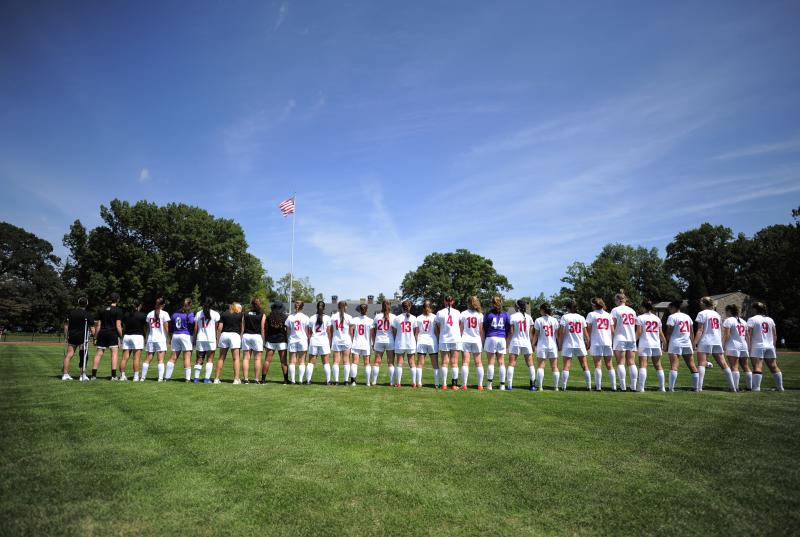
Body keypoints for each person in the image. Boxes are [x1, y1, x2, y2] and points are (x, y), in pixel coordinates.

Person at [694, 297, 736, 392]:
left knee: (701, 363)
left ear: (705, 303)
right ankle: (733, 387)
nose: (700, 303)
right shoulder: (717, 314)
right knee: (723, 363)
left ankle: (699, 388)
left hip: (706, 340)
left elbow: (700, 330)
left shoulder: (702, 313)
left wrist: (694, 343)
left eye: (701, 302)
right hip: (716, 340)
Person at [747, 302, 783, 392]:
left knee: (757, 366)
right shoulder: (770, 319)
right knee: (774, 366)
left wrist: (748, 346)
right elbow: (775, 334)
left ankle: (756, 388)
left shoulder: (752, 319)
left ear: (755, 309)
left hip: (757, 346)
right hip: (770, 346)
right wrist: (773, 346)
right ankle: (780, 387)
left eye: (752, 309)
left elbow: (748, 335)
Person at [635, 299, 667, 392]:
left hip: (645, 344)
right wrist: (665, 343)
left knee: (643, 365)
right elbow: (661, 333)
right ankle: (662, 388)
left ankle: (641, 388)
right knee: (658, 365)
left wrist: (633, 341)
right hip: (656, 344)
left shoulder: (640, 318)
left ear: (643, 307)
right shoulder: (657, 318)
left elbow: (639, 332)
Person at [558, 298, 590, 391]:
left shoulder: (565, 317)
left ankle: (563, 386)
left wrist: (560, 343)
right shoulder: (581, 317)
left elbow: (562, 332)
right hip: (580, 343)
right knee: (585, 365)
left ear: (567, 308)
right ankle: (589, 386)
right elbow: (585, 333)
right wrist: (588, 341)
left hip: (568, 344)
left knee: (566, 365)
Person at [91, 292, 123, 380]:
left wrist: (95, 337)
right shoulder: (118, 310)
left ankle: (93, 375)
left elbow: (98, 325)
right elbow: (118, 325)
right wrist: (121, 336)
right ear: (117, 300)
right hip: (112, 334)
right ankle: (113, 376)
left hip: (102, 333)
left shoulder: (102, 309)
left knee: (98, 354)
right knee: (114, 354)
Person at [665, 300, 696, 391]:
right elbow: (692, 332)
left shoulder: (672, 317)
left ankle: (671, 388)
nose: (669, 310)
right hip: (687, 343)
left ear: (674, 307)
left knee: (674, 366)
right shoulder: (687, 317)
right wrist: (693, 343)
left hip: (676, 343)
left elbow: (669, 331)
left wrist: (666, 343)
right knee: (692, 365)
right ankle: (696, 387)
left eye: (670, 308)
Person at [62, 297, 95, 381]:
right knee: (83, 355)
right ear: (87, 304)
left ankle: (65, 374)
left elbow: (66, 325)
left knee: (69, 355)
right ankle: (82, 375)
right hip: (82, 337)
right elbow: (92, 327)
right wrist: (95, 337)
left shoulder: (71, 313)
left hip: (72, 336)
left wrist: (66, 336)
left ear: (78, 303)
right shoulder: (87, 314)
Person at [585, 297, 615, 391]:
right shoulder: (608, 315)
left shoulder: (591, 314)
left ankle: (598, 387)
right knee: (610, 365)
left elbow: (588, 329)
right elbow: (612, 331)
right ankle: (613, 387)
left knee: (598, 365)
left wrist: (587, 340)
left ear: (594, 305)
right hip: (607, 342)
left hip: (596, 342)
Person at [611, 290, 638, 391]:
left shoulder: (615, 310)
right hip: (631, 338)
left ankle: (623, 387)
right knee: (632, 362)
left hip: (620, 338)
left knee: (620, 362)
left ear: (618, 300)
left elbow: (612, 325)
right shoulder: (632, 310)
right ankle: (634, 386)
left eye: (615, 300)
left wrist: (613, 337)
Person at [483, 296, 510, 390]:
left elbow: (485, 326)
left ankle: (489, 384)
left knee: (491, 362)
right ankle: (502, 385)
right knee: (501, 362)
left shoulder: (488, 314)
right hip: (501, 338)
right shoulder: (506, 314)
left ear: (492, 303)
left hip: (491, 337)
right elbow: (507, 327)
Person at [722, 304, 751, 391]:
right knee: (746, 366)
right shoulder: (743, 321)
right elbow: (748, 336)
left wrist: (722, 345)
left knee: (734, 366)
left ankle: (735, 387)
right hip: (743, 345)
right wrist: (748, 347)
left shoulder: (728, 320)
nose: (725, 313)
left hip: (733, 345)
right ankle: (750, 387)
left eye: (726, 311)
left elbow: (726, 335)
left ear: (729, 311)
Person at [435, 296, 462, 390]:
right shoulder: (458, 312)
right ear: (453, 301)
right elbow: (459, 325)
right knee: (454, 363)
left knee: (444, 362)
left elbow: (437, 327)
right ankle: (454, 385)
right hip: (455, 339)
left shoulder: (439, 312)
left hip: (444, 339)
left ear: (444, 301)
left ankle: (444, 384)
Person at [141, 298, 170, 381]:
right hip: (160, 339)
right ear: (163, 305)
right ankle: (160, 379)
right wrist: (168, 338)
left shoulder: (149, 314)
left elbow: (147, 329)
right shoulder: (165, 314)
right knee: (160, 360)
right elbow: (166, 327)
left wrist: (146, 339)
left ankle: (142, 378)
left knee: (147, 359)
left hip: (151, 339)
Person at [508, 299, 534, 391]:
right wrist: (532, 344)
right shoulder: (529, 317)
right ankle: (532, 385)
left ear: (517, 307)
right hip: (526, 342)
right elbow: (531, 333)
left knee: (511, 364)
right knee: (530, 364)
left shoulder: (513, 316)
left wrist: (508, 343)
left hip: (515, 341)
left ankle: (510, 385)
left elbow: (511, 331)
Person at [533, 302, 560, 391]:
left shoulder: (538, 320)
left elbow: (536, 335)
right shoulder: (555, 320)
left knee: (541, 366)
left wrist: (533, 344)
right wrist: (559, 344)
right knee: (554, 367)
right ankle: (556, 387)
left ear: (543, 310)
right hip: (552, 345)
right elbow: (556, 335)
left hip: (542, 345)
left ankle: (540, 387)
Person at [167, 298, 195, 382]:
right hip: (185, 335)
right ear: (189, 305)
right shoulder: (189, 314)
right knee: (187, 357)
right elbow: (192, 323)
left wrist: (170, 336)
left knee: (173, 357)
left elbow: (170, 325)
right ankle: (187, 379)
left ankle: (167, 377)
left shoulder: (174, 314)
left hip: (175, 335)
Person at [215, 302, 243, 384]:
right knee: (236, 358)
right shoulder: (240, 315)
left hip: (224, 335)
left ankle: (216, 379)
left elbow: (220, 328)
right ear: (236, 307)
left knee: (221, 358)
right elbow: (242, 327)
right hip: (235, 335)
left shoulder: (224, 314)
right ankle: (236, 379)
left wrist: (218, 338)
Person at [460, 296, 484, 390]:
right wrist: (482, 340)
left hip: (465, 339)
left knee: (465, 362)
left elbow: (461, 329)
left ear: (468, 303)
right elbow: (481, 330)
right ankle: (480, 385)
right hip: (476, 339)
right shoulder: (480, 315)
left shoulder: (463, 314)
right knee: (478, 363)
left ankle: (464, 385)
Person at [193, 298, 220, 384]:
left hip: (200, 338)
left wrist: (194, 337)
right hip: (211, 339)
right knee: (210, 359)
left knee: (199, 358)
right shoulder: (215, 314)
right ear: (212, 305)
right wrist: (217, 338)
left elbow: (196, 327)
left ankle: (196, 379)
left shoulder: (198, 313)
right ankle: (206, 379)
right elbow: (217, 327)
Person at [119, 299, 147, 381]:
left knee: (124, 358)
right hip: (137, 337)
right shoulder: (142, 315)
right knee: (136, 358)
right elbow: (145, 327)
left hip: (127, 336)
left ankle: (122, 376)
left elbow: (123, 324)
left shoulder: (126, 314)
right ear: (140, 306)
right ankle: (135, 377)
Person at [392, 300, 417, 388]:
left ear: (402, 307)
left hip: (400, 342)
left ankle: (398, 383)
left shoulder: (397, 318)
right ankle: (414, 383)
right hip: (411, 342)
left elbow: (394, 332)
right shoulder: (414, 318)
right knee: (412, 363)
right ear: (410, 307)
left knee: (399, 363)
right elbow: (415, 332)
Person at [241, 298, 266, 384]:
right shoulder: (262, 314)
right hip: (257, 336)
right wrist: (263, 340)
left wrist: (241, 337)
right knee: (257, 359)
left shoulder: (245, 313)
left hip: (246, 336)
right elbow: (262, 328)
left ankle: (245, 379)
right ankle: (256, 379)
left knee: (246, 358)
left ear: (251, 304)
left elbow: (242, 327)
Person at [285, 300, 310, 385]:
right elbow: (307, 331)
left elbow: (288, 331)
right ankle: (300, 380)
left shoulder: (290, 317)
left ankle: (292, 380)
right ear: (303, 307)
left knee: (292, 361)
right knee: (302, 361)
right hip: (302, 339)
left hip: (292, 339)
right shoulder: (306, 317)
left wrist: (289, 339)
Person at [307, 300, 332, 385]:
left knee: (311, 362)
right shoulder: (328, 318)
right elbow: (329, 332)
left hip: (314, 340)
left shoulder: (311, 318)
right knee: (326, 362)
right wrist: (329, 342)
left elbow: (309, 332)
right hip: (324, 341)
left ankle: (308, 381)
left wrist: (309, 341)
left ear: (316, 307)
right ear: (324, 308)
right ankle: (328, 381)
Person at [415, 299, 437, 388]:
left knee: (420, 363)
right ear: (431, 307)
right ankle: (437, 383)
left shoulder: (418, 318)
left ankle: (419, 383)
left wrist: (416, 341)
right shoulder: (435, 317)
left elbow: (416, 333)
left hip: (421, 341)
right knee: (435, 364)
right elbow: (436, 331)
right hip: (432, 340)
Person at [372, 301, 395, 386]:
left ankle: (374, 381)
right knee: (390, 362)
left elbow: (373, 330)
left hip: (379, 340)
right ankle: (392, 382)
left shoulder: (377, 316)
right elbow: (395, 330)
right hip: (390, 340)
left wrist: (373, 341)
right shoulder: (393, 317)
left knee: (377, 362)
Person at [264, 303, 288, 384]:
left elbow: (266, 329)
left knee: (267, 361)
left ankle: (263, 380)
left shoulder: (269, 317)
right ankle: (285, 380)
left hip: (271, 340)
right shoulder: (285, 317)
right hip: (282, 340)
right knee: (283, 361)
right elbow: (286, 330)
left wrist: (266, 340)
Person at [331, 300, 354, 385]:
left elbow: (331, 329)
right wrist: (352, 340)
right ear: (346, 307)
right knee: (346, 361)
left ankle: (336, 381)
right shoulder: (349, 317)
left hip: (336, 340)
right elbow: (351, 332)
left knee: (336, 361)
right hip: (346, 340)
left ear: (338, 307)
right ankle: (346, 381)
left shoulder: (333, 317)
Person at [351, 304, 375, 386]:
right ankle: (368, 382)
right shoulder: (370, 321)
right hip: (366, 344)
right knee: (367, 363)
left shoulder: (354, 320)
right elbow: (372, 334)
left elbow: (351, 331)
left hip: (356, 343)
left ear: (359, 310)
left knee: (355, 362)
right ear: (367, 310)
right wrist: (372, 344)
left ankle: (353, 382)